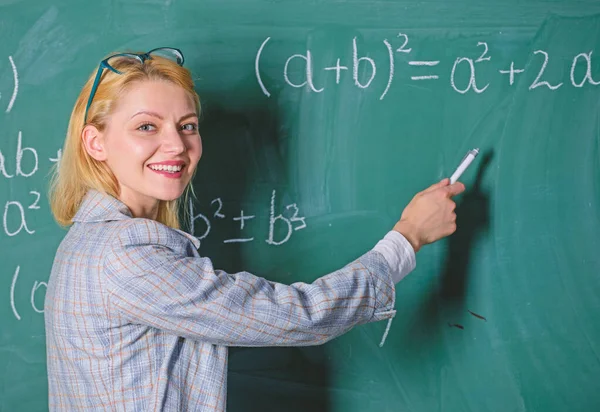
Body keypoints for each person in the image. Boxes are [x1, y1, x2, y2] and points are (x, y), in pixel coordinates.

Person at [45, 47, 465, 411]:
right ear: (95, 143)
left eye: (187, 125)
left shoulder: (86, 241)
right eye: (146, 127)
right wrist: (408, 237)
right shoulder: (126, 253)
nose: (176, 145)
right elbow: (298, 316)